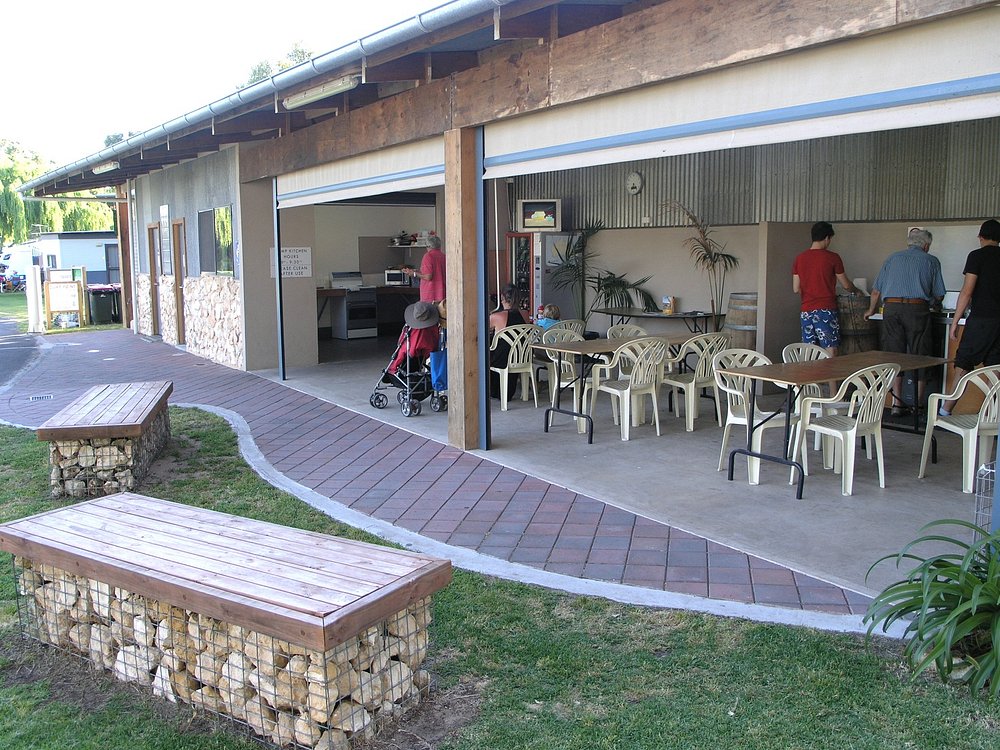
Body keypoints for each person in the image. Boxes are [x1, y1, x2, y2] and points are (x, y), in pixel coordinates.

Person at [863, 227, 946, 414]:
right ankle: (917, 404)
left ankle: (896, 404)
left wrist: (870, 310)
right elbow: (939, 294)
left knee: (894, 355)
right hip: (917, 310)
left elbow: (876, 291)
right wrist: (935, 302)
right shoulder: (931, 261)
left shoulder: (892, 258)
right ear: (926, 245)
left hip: (891, 309)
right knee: (920, 355)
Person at [941, 219, 1000, 415]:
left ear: (980, 237)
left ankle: (946, 411)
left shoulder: (976, 256)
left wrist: (955, 322)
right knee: (996, 368)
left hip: (981, 319)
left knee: (964, 363)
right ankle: (992, 415)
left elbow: (967, 291)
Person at [791, 222, 866, 356]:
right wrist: (857, 291)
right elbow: (846, 285)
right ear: (827, 238)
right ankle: (830, 372)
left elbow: (796, 288)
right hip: (826, 310)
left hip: (806, 311)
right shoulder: (833, 258)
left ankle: (808, 371)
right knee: (830, 348)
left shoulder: (799, 259)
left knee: (809, 350)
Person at [488, 284, 527, 400]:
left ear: (502, 298)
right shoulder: (525, 314)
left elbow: (481, 330)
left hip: (501, 360)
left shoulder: (496, 316)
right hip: (520, 357)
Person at [404, 234, 446, 303]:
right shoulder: (444, 256)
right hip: (442, 294)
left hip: (430, 295)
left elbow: (428, 277)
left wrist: (414, 274)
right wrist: (417, 271)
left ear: (428, 246)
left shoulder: (428, 256)